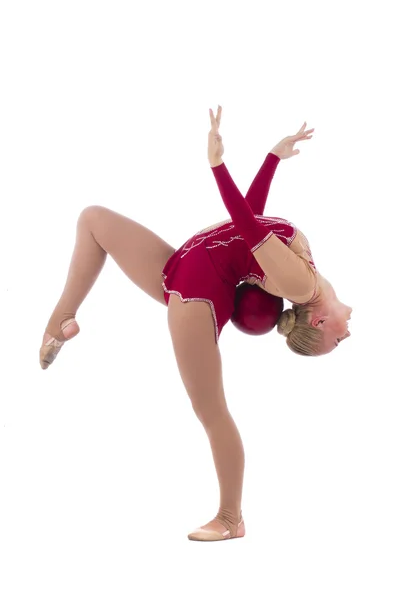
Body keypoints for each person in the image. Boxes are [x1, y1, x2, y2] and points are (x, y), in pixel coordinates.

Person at [39, 106, 352, 542]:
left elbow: (244, 222)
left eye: (337, 341)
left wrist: (217, 166)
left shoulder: (301, 285)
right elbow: (253, 225)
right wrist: (272, 159)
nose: (348, 334)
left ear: (318, 320)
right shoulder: (305, 270)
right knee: (94, 219)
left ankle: (230, 518)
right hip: (181, 266)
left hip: (197, 296)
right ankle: (61, 320)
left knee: (211, 411)